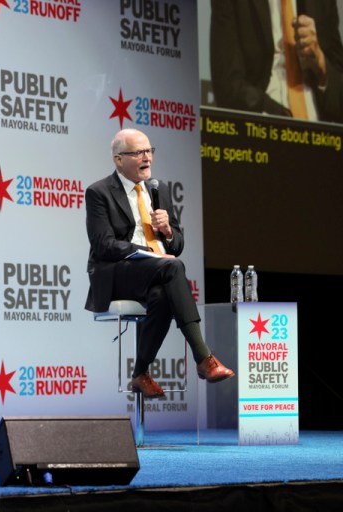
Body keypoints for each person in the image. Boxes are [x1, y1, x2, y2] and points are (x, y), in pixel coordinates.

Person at [83, 128, 234, 399]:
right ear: (119, 159)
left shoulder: (158, 189)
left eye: (150, 151)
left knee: (162, 294)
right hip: (117, 272)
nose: (147, 158)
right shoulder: (99, 192)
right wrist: (149, 254)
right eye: (139, 152)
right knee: (173, 267)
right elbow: (103, 245)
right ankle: (204, 358)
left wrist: (168, 231)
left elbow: (177, 246)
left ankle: (140, 374)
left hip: (155, 273)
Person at [209, 0, 343, 123]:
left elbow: (338, 94)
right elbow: (227, 85)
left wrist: (320, 64)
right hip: (262, 126)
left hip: (323, 133)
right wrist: (282, 117)